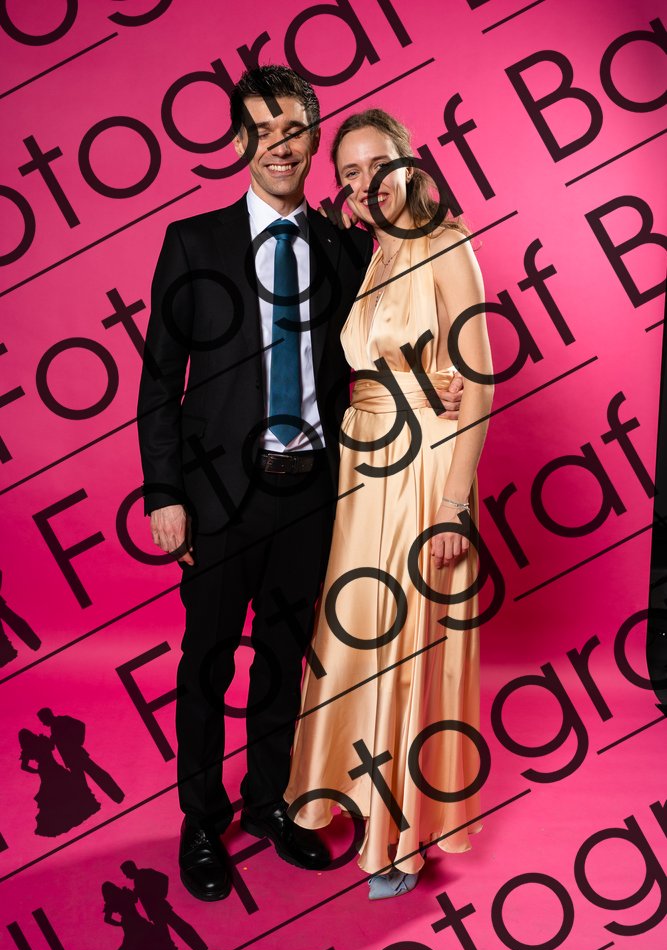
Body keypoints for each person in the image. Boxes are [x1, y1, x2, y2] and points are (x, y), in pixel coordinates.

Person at [137, 66, 464, 903]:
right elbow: (159, 380)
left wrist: (441, 382)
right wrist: (164, 494)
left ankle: (268, 803)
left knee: (285, 661)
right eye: (261, 130)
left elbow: (400, 311)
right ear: (238, 141)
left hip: (314, 491)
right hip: (216, 498)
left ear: (315, 139)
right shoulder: (193, 243)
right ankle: (202, 820)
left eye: (293, 130)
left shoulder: (345, 245)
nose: (278, 146)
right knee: (206, 662)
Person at [285, 109, 493, 900]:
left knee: (408, 644)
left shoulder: (446, 244)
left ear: (410, 162)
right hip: (361, 466)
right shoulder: (374, 256)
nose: (364, 183)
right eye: (347, 174)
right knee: (358, 635)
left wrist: (451, 503)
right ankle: (352, 795)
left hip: (422, 470)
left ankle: (399, 841)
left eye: (375, 165)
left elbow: (478, 379)